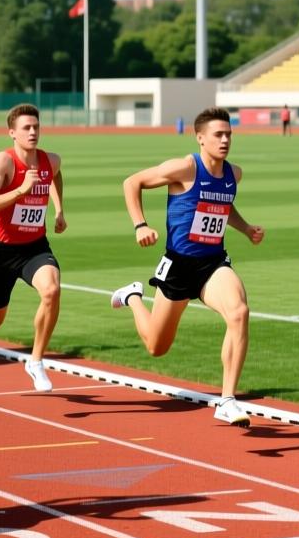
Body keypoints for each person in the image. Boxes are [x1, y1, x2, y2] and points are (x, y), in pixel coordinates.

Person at [111, 106, 265, 428]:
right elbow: (132, 182)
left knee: (238, 312)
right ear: (200, 138)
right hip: (179, 265)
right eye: (218, 135)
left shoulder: (233, 174)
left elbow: (223, 204)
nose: (225, 140)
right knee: (156, 346)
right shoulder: (184, 168)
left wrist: (246, 228)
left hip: (213, 264)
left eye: (229, 135)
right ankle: (132, 297)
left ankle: (227, 399)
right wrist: (140, 224)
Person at [0, 103, 66, 392]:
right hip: (4, 251)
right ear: (12, 132)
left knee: (52, 290)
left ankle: (35, 361)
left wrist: (59, 209)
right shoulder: (4, 162)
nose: (33, 132)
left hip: (35, 248)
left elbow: (56, 176)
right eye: (26, 128)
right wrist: (21, 190)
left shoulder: (51, 160)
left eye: (36, 127)